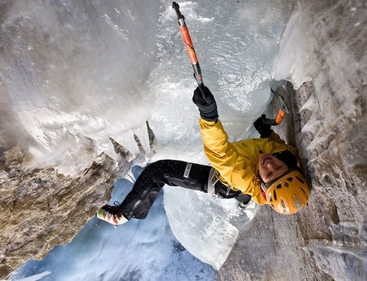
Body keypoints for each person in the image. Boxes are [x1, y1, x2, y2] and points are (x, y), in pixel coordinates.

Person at [97, 86, 310, 226]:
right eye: (280, 168)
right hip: (248, 178)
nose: (271, 165)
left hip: (221, 183)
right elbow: (275, 146)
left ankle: (124, 214)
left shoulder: (241, 175)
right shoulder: (288, 154)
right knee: (246, 191)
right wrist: (266, 131)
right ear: (290, 165)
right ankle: (244, 200)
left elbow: (220, 153)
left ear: (262, 185)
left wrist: (209, 118)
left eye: (269, 175)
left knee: (158, 171)